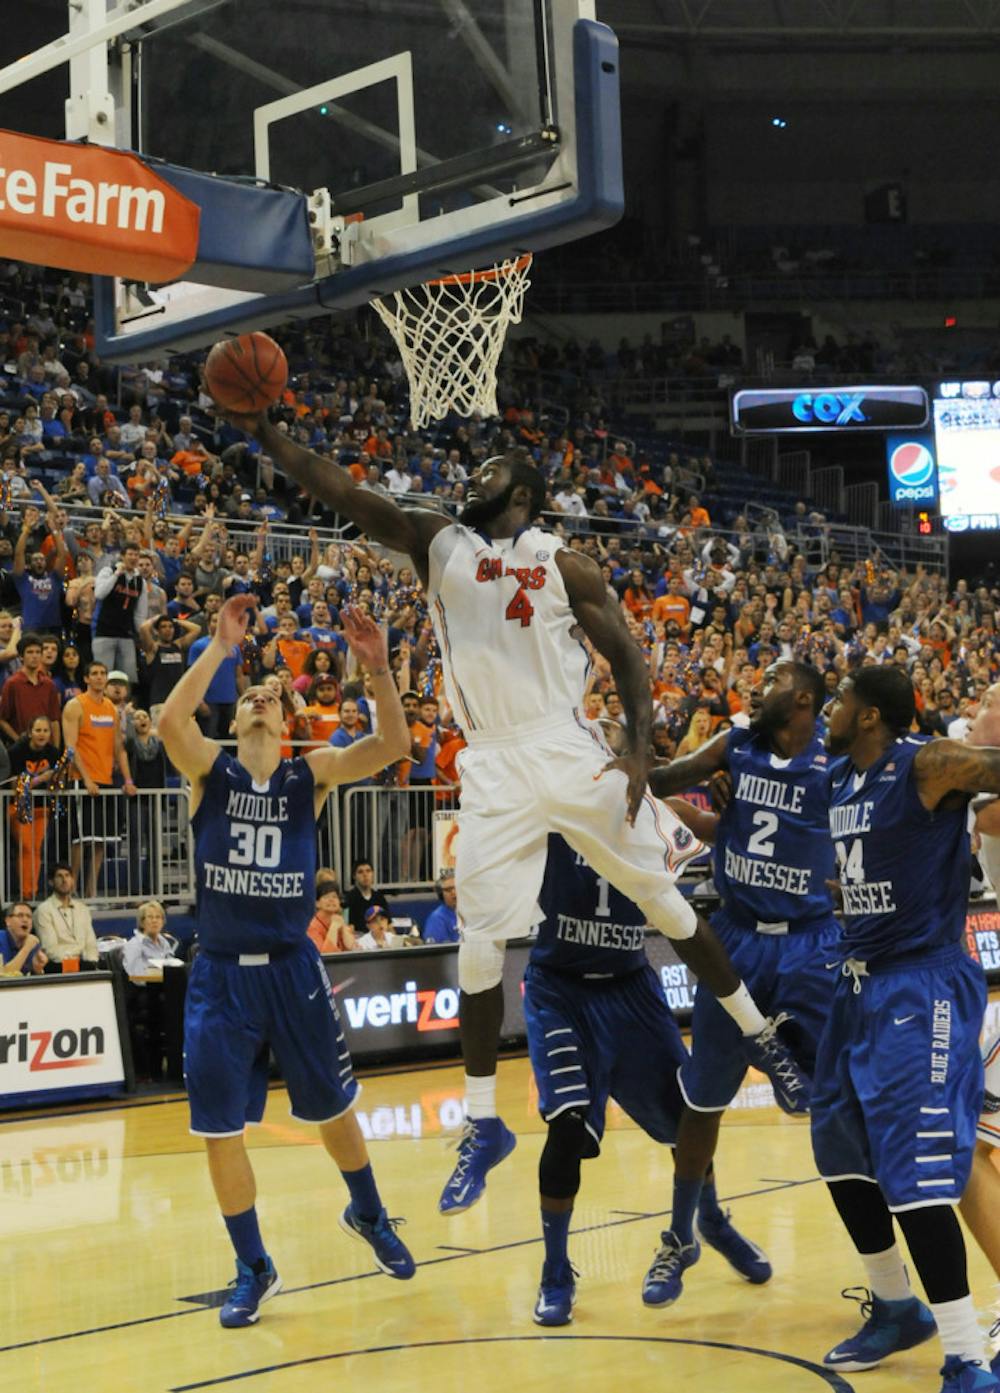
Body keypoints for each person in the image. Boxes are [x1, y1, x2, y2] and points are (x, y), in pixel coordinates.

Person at [225, 416, 808, 1218]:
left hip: (564, 743)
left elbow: (629, 655)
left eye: (490, 470)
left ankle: (761, 1037)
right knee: (476, 945)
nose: (471, 478)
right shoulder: (437, 541)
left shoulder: (563, 563)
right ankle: (482, 1120)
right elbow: (349, 491)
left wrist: (638, 749)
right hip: (493, 758)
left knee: (665, 901)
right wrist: (271, 436)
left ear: (524, 494)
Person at [157, 594, 415, 1328]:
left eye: (272, 696)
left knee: (333, 1107)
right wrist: (219, 649)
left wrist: (378, 669)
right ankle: (253, 1266)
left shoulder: (314, 774)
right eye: (250, 698)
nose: (262, 699)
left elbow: (394, 743)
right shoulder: (210, 770)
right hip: (221, 973)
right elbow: (170, 723)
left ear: (289, 723)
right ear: (235, 723)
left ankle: (367, 1212)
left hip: (292, 965)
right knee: (218, 1129)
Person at [815, 665, 1000, 1392]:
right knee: (838, 1148)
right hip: (856, 980)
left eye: (842, 699)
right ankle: (896, 1304)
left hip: (921, 985)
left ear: (871, 715)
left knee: (921, 1170)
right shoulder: (840, 779)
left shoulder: (924, 762)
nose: (832, 708)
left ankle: (965, 1356)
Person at [646, 660, 838, 1304]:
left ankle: (891, 1272)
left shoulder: (837, 760)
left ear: (803, 697)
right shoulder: (736, 744)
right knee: (703, 1101)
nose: (757, 688)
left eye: (772, 681)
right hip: (737, 938)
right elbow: (657, 782)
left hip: (812, 944)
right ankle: (680, 1236)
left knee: (838, 1099)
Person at [525, 833, 765, 1325]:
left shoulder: (652, 815)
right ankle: (555, 1271)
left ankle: (711, 1221)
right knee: (566, 1129)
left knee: (687, 1121)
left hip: (630, 987)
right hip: (559, 989)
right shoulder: (552, 808)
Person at [62, 660, 136, 898]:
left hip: (106, 779)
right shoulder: (75, 706)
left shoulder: (112, 709)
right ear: (86, 679)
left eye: (103, 673)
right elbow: (70, 748)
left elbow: (119, 748)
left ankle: (91, 892)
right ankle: (70, 891)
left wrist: (127, 780)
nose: (99, 677)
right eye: (94, 673)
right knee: (80, 839)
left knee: (100, 840)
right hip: (80, 780)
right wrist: (86, 779)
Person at [6, 714, 61, 898]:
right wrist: (40, 779)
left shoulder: (54, 753)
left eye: (45, 730)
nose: (42, 734)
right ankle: (25, 893)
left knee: (36, 849)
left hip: (41, 808)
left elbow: (59, 783)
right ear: (30, 732)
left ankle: (32, 892)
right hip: (19, 807)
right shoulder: (16, 752)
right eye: (38, 730)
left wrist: (55, 782)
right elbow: (14, 785)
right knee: (26, 847)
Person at [34, 863, 99, 970]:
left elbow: (90, 943)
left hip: (85, 964)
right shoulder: (43, 910)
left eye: (67, 875)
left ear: (72, 881)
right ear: (51, 882)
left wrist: (92, 962)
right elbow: (50, 949)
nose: (64, 880)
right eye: (59, 876)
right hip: (59, 965)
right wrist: (75, 961)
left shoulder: (82, 909)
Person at [307, 880, 355, 953]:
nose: (331, 900)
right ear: (317, 903)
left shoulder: (339, 920)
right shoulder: (311, 927)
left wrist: (343, 928)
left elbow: (352, 948)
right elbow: (326, 955)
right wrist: (334, 927)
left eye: (334, 896)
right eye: (326, 897)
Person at [344, 859, 392, 933]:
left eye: (368, 871)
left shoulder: (380, 897)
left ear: (372, 873)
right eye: (360, 872)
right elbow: (348, 928)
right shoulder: (349, 899)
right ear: (354, 876)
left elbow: (389, 924)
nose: (365, 875)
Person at [0, 901, 46, 976]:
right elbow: (4, 976)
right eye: (20, 915)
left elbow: (37, 981)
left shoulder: (33, 943)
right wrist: (26, 948)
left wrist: (38, 969)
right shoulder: (1, 939)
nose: (25, 920)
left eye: (29, 916)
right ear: (8, 921)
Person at [422, 871, 460, 943]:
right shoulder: (437, 919)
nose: (454, 893)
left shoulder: (472, 912)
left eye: (456, 887)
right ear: (441, 894)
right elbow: (439, 951)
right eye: (449, 890)